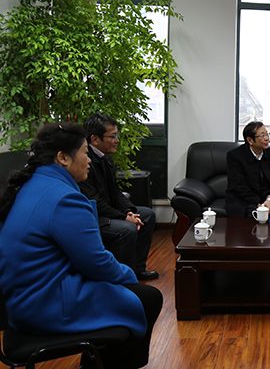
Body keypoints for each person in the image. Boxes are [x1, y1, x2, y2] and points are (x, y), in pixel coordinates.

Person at [0, 123, 162, 369]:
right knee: (148, 298)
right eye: (85, 153)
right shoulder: (64, 198)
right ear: (63, 158)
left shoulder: (34, 184)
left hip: (23, 301)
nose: (89, 160)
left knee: (130, 294)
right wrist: (129, 276)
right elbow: (96, 263)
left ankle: (95, 362)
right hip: (44, 306)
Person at [78, 113, 158, 281]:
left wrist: (129, 211)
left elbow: (115, 193)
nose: (117, 140)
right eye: (112, 136)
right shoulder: (84, 162)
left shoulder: (106, 158)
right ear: (95, 139)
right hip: (94, 217)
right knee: (127, 228)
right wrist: (124, 218)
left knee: (146, 215)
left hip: (108, 212)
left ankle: (137, 269)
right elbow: (95, 203)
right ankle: (122, 279)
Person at [225, 121, 270, 218]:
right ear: (250, 140)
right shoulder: (235, 156)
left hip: (265, 197)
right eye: (262, 136)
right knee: (251, 212)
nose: (267, 138)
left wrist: (269, 200)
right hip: (243, 198)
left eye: (267, 134)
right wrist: (259, 204)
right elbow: (238, 185)